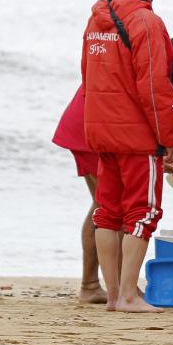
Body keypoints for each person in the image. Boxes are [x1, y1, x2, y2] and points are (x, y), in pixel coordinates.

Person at [82, 0, 173, 313]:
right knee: (143, 212)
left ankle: (112, 295)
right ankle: (126, 295)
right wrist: (169, 139)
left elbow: (87, 77)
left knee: (107, 211)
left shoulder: (96, 20)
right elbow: (154, 89)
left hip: (101, 131)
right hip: (137, 138)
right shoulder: (146, 22)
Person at [52, 86, 107, 304]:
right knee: (112, 207)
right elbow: (148, 97)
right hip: (95, 124)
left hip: (87, 119)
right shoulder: (160, 52)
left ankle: (93, 285)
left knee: (103, 204)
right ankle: (106, 286)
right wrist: (168, 144)